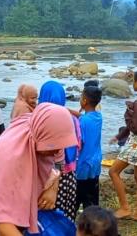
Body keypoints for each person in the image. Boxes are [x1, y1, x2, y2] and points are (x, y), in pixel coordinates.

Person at [0, 103, 78, 235]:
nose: (56, 151)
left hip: (19, 211)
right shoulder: (11, 160)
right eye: (53, 146)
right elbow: (3, 226)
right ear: (40, 135)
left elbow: (59, 163)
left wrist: (53, 187)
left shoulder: (38, 126)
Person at [109, 69, 137, 221]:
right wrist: (119, 136)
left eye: (133, 80)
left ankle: (125, 208)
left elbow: (134, 127)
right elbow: (136, 126)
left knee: (113, 172)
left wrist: (128, 112)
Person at [38, 80, 81, 222]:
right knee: (66, 214)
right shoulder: (74, 118)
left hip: (50, 176)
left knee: (47, 216)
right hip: (71, 175)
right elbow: (79, 144)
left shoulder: (42, 120)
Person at [76, 85, 103, 211]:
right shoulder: (98, 117)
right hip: (95, 163)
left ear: (85, 101)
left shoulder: (82, 122)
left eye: (81, 97)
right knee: (92, 201)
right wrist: (67, 111)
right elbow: (83, 116)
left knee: (76, 200)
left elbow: (79, 143)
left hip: (83, 165)